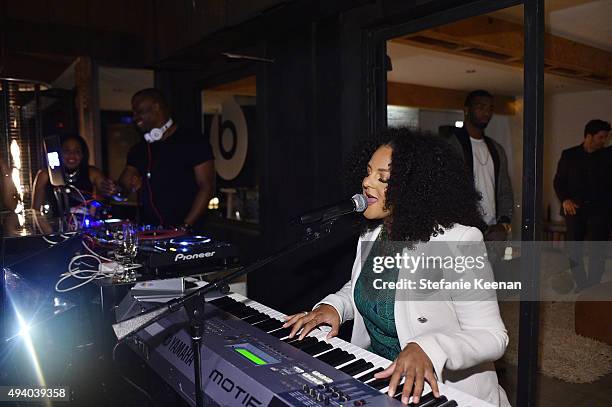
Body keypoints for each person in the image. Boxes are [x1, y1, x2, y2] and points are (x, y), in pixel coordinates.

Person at [284, 128, 509, 406]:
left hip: (445, 391)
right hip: (377, 375)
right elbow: (368, 288)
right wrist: (335, 307)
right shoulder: (372, 234)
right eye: (367, 172)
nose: (366, 182)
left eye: (383, 178)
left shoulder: (459, 240)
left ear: (413, 187)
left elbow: (492, 337)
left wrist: (428, 348)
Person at [101, 88, 214, 230]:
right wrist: (115, 190)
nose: (135, 118)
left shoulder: (193, 141)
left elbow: (207, 186)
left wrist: (185, 226)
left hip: (189, 231)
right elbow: (124, 188)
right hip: (152, 231)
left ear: (156, 107)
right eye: (134, 113)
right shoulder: (139, 150)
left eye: (139, 111)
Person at [441, 90, 513, 241]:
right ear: (466, 110)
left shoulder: (497, 149)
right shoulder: (451, 146)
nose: (486, 112)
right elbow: (450, 192)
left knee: (493, 266)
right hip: (463, 230)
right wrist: (477, 225)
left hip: (494, 231)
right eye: (480, 107)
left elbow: (505, 190)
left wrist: (504, 223)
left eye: (490, 108)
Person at [554, 119, 611, 290]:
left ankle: (593, 286)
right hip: (574, 209)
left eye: (606, 137)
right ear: (589, 136)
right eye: (601, 137)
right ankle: (582, 284)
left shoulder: (608, 156)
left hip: (600, 210)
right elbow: (558, 182)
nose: (604, 141)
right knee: (574, 250)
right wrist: (565, 199)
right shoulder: (569, 155)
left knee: (597, 251)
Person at [32, 134, 108, 213]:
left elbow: (105, 195)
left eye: (77, 151)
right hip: (53, 224)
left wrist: (94, 207)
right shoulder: (45, 175)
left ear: (82, 155)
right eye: (66, 151)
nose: (72, 155)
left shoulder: (92, 172)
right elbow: (35, 211)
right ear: (59, 153)